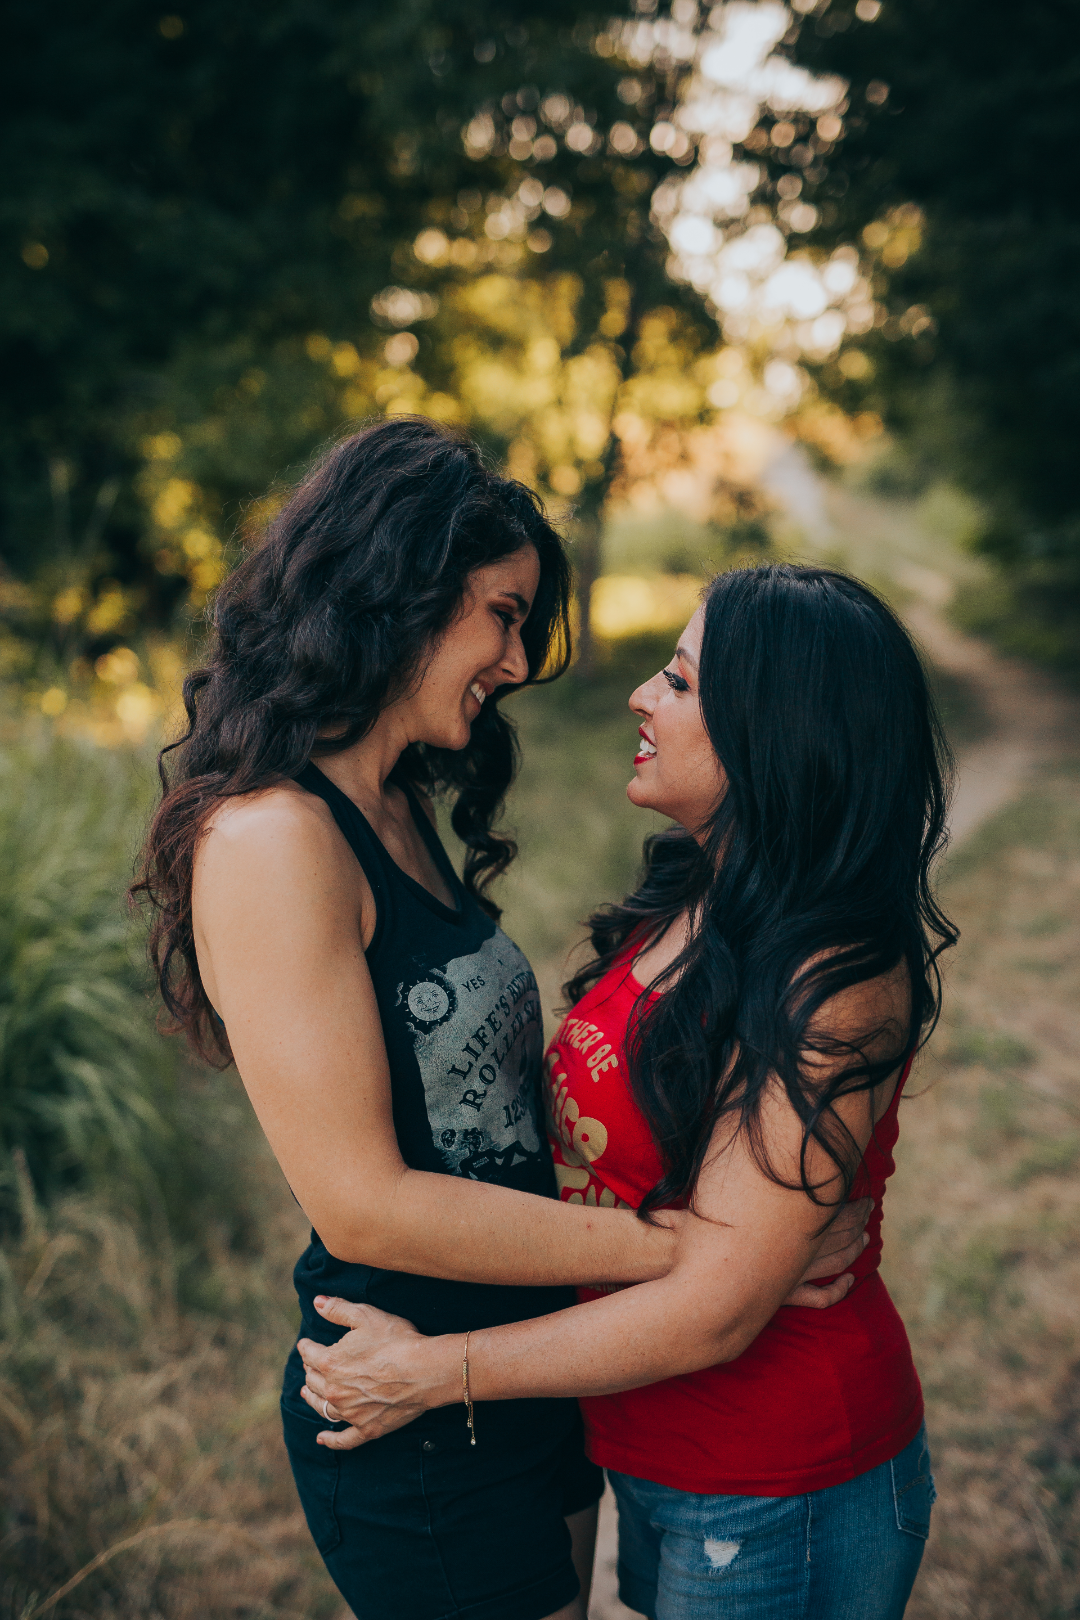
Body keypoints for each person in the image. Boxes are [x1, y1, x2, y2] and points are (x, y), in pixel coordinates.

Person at [134, 421, 866, 1620]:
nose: (517, 661)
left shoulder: (395, 804)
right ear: (398, 595)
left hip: (532, 1370)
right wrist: (706, 1256)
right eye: (503, 614)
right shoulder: (273, 838)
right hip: (407, 1395)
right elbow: (363, 1200)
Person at [296, 562, 957, 1620]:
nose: (644, 697)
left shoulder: (836, 977)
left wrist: (431, 1372)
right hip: (653, 1452)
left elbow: (717, 1313)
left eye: (682, 682)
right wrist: (713, 1247)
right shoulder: (698, 891)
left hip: (775, 1479)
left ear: (771, 729)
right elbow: (687, 1240)